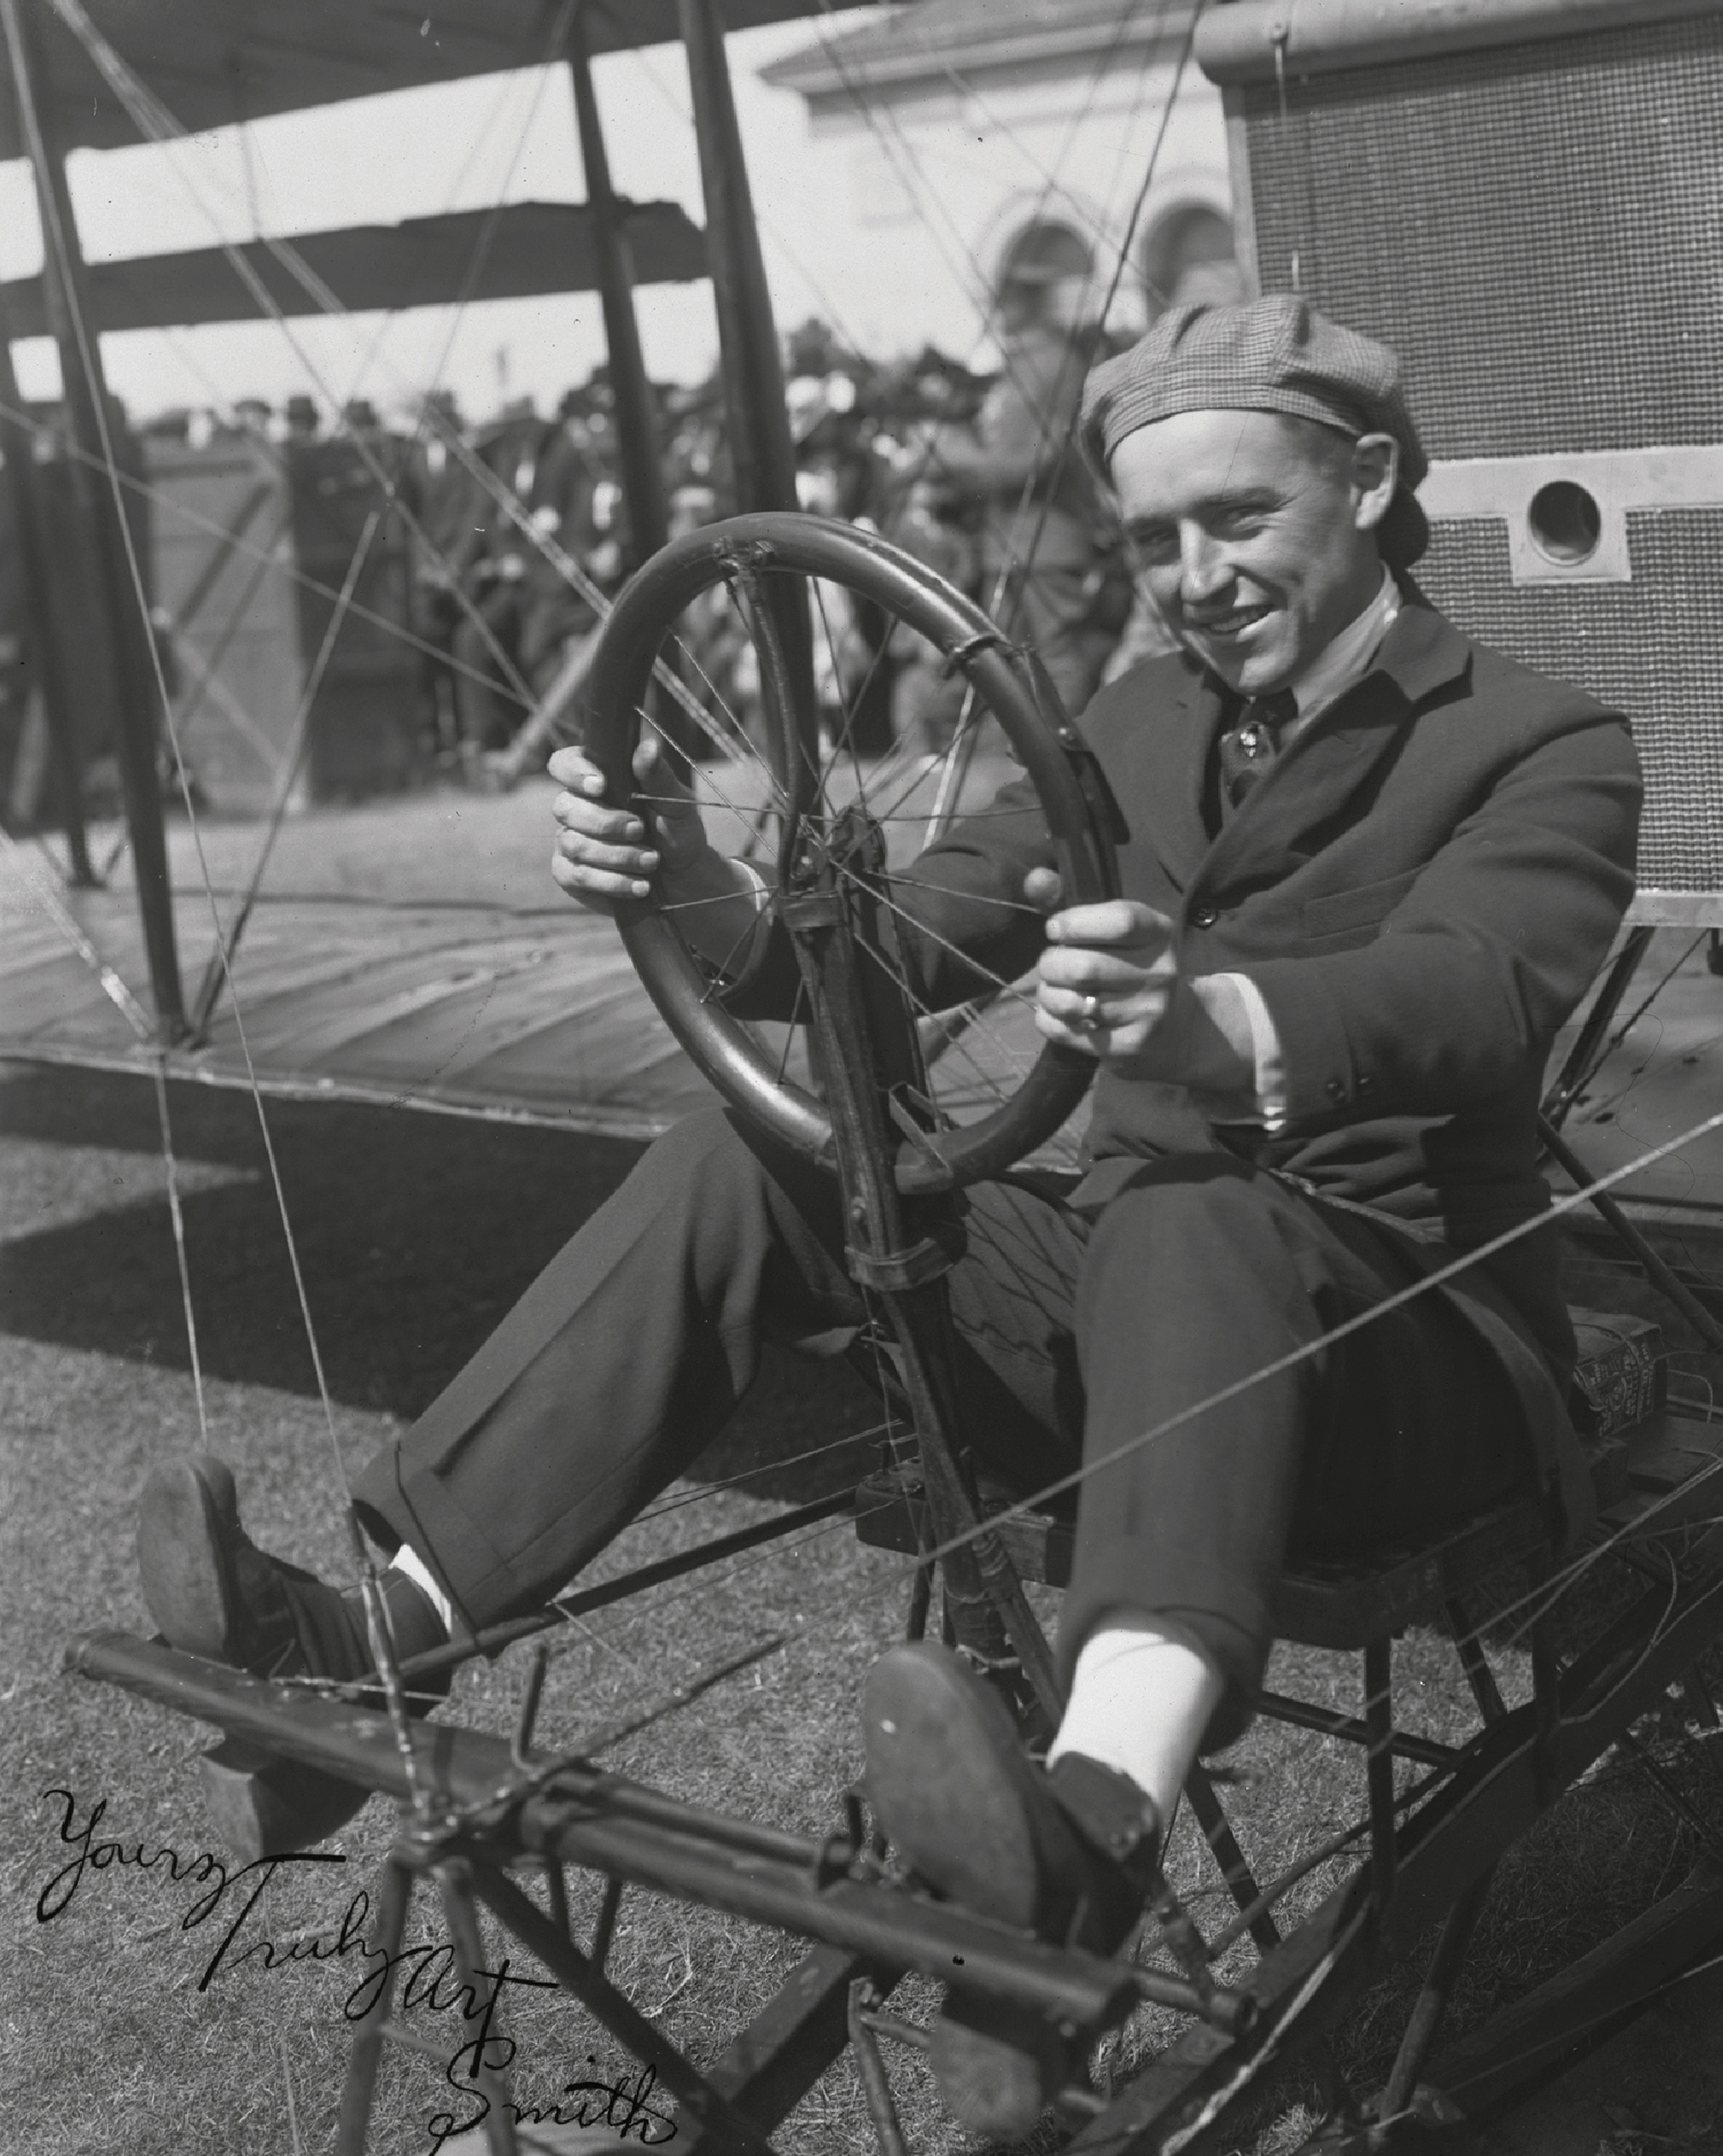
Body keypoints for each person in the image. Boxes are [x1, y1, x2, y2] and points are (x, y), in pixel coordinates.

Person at [134, 296, 1640, 2136]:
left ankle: (1087, 1829)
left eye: (1237, 519)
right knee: (754, 1151)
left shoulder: (1546, 742)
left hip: (1416, 1360)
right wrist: (699, 890)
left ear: (1374, 481)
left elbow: (1477, 990)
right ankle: (380, 1630)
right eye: (1157, 537)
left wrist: (1221, 1018)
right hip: (1149, 1321)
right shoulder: (1134, 717)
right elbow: (915, 940)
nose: (1192, 575)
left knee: (1184, 1206)